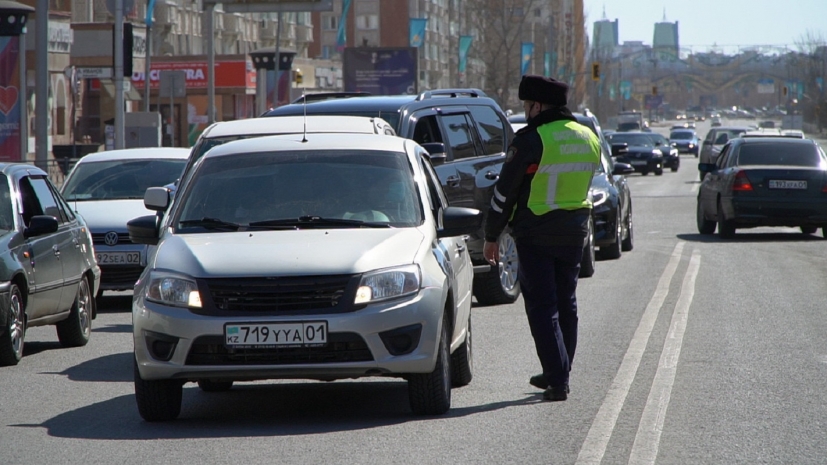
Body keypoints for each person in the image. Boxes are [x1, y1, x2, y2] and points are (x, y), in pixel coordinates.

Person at [483, 75, 601, 401]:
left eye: (526, 105)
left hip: (536, 231)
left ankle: (558, 378)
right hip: (575, 230)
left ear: (536, 105)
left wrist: (491, 235)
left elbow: (504, 193)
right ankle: (557, 370)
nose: (526, 111)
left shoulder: (532, 140)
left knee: (542, 306)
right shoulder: (588, 136)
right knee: (567, 303)